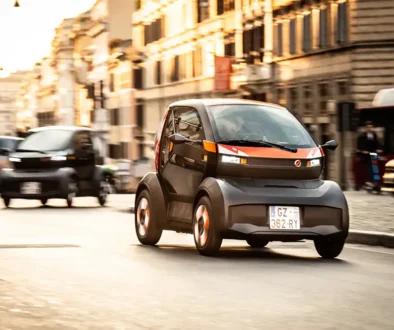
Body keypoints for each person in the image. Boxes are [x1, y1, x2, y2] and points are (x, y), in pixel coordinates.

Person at [356, 121, 382, 188]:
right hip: (365, 155)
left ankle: (376, 181)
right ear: (366, 128)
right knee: (370, 167)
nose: (369, 128)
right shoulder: (362, 136)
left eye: (371, 127)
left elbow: (378, 144)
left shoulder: (374, 135)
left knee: (375, 167)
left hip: (373, 153)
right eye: (368, 127)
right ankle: (370, 181)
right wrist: (363, 151)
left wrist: (379, 149)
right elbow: (360, 145)